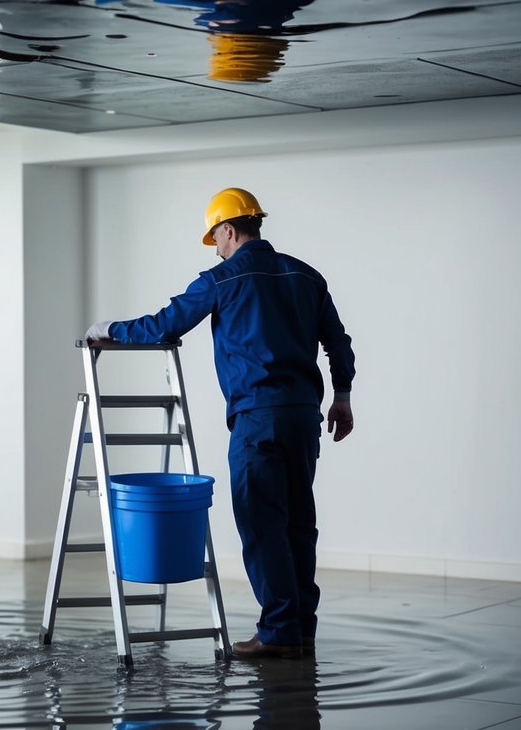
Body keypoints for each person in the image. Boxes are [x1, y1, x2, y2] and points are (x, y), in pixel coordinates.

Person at [85, 187, 355, 659]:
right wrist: (343, 396)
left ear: (228, 230)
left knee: (262, 523)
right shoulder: (307, 276)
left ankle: (277, 631)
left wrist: (107, 330)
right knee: (299, 523)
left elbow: (163, 326)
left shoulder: (222, 280)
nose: (219, 248)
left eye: (218, 239)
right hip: (303, 416)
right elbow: (338, 341)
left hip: (256, 418)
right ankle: (300, 627)